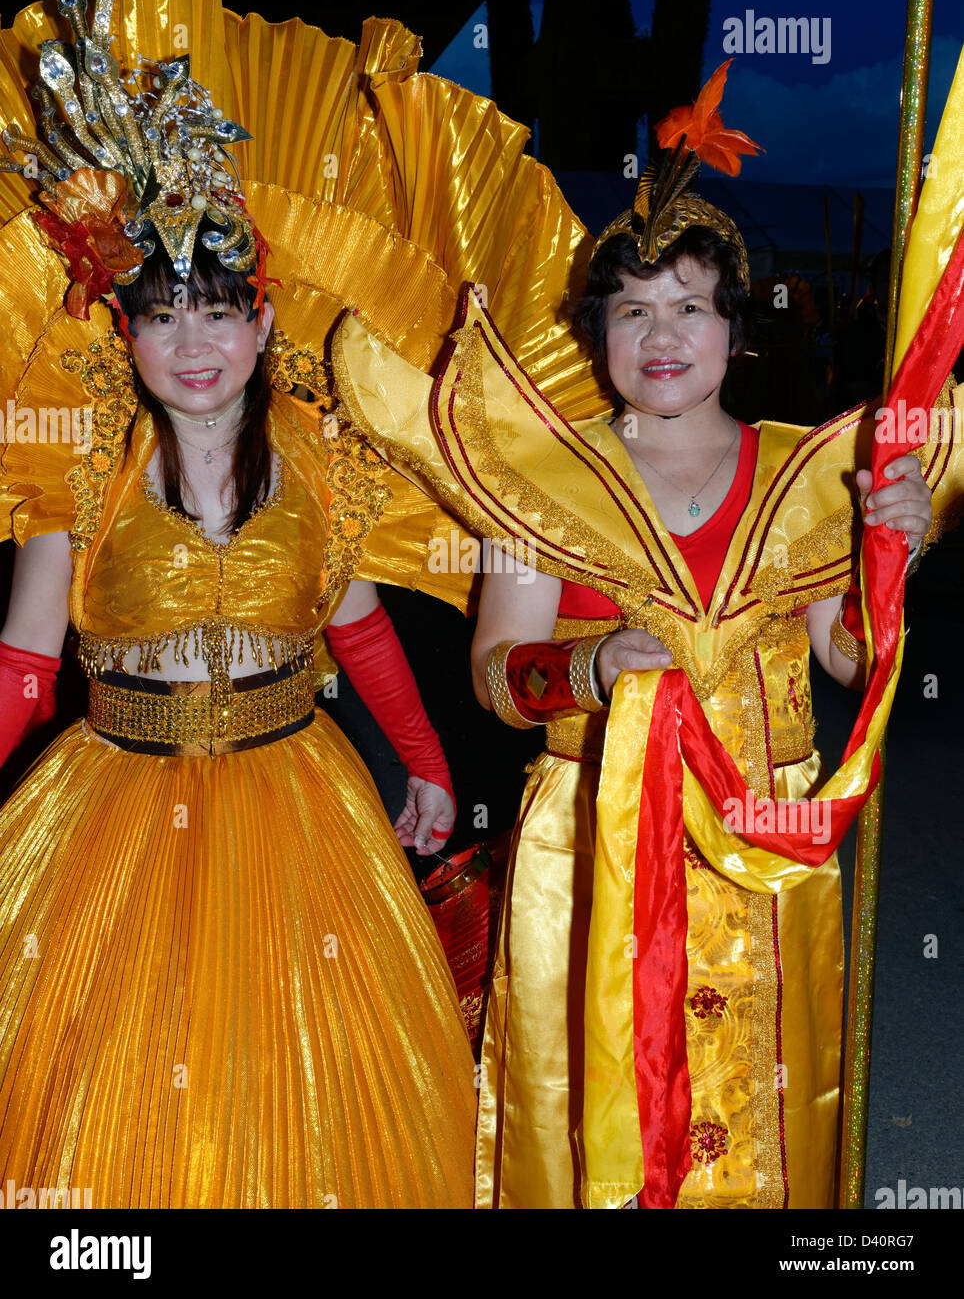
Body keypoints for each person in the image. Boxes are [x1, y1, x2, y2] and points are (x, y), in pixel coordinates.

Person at [330, 62, 963, 1208]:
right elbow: (490, 678)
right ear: (599, 334)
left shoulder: (803, 474)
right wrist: (587, 665)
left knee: (771, 1127)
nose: (660, 335)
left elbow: (847, 664)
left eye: (687, 306)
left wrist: (887, 568)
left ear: (734, 326)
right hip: (589, 850)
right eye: (631, 309)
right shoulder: (538, 480)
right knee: (601, 1138)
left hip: (766, 844)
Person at [0, 0, 483, 1209]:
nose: (196, 345)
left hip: (299, 793)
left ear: (265, 325)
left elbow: (360, 626)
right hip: (112, 803)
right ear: (126, 331)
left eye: (221, 311)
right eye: (165, 318)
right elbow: (24, 663)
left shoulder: (323, 460)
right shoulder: (82, 461)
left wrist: (425, 761)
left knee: (309, 1096)